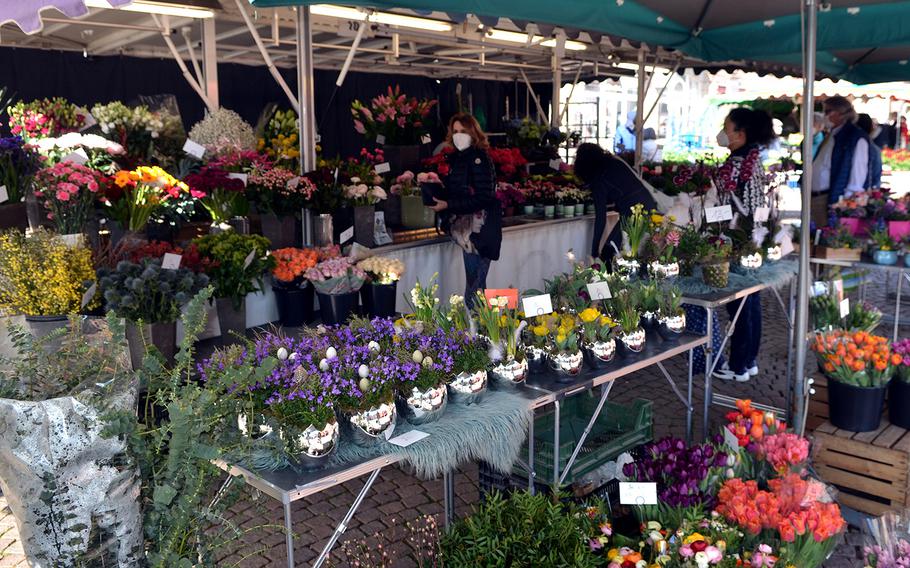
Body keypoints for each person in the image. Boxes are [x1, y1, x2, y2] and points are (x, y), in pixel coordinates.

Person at [713, 107, 776, 382]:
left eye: (727, 128)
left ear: (740, 133)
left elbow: (725, 204)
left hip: (736, 239)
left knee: (738, 302)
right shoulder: (752, 158)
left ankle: (738, 364)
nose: (723, 133)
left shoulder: (737, 163)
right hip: (753, 238)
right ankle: (748, 361)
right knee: (751, 299)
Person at [429, 113, 501, 309]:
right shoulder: (458, 158)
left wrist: (448, 205)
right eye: (455, 131)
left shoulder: (479, 158)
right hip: (466, 232)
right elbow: (459, 192)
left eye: (463, 131)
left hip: (479, 232)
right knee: (476, 286)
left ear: (473, 132)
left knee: (474, 287)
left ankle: (475, 331)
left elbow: (484, 197)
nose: (458, 135)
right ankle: (479, 328)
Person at [573, 142, 656, 263]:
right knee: (635, 254)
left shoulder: (598, 180)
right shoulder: (615, 162)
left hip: (633, 212)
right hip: (648, 204)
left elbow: (601, 219)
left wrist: (594, 252)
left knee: (609, 253)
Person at [811, 96, 871, 228]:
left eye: (827, 111)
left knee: (825, 241)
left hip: (830, 199)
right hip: (817, 197)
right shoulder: (833, 134)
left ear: (840, 113)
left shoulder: (854, 136)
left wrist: (846, 203)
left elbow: (858, 173)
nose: (824, 116)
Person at [857, 113, 883, 188]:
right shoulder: (875, 149)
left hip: (860, 192)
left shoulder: (872, 149)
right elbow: (876, 177)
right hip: (864, 191)